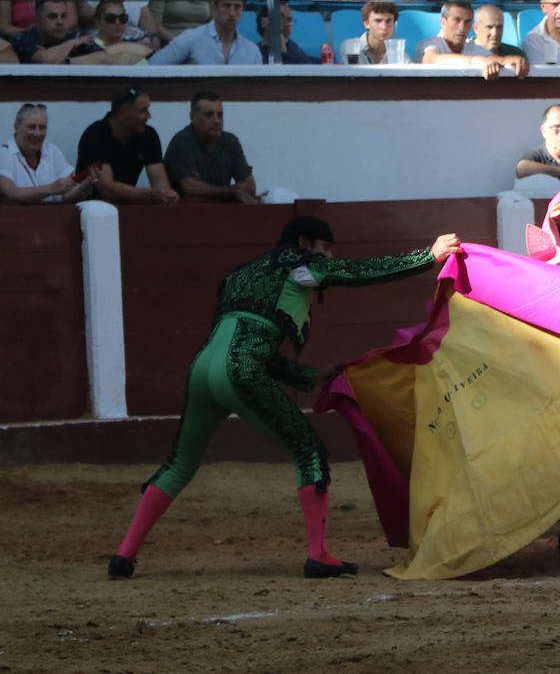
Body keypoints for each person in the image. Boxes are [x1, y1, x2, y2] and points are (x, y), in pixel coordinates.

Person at [108, 216, 462, 580]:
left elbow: (251, 337)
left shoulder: (239, 275)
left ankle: (125, 554)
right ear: (305, 243)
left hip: (202, 370)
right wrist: (427, 257)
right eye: (323, 250)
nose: (326, 258)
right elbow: (358, 272)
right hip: (241, 370)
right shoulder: (300, 265)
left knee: (179, 463)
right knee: (309, 451)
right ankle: (318, 554)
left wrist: (306, 376)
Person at [75, 86, 178, 204]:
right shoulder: (95, 135)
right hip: (90, 209)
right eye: (142, 111)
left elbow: (161, 186)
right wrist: (152, 194)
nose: (149, 116)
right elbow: (107, 190)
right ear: (121, 112)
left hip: (128, 206)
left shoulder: (149, 135)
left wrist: (168, 195)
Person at [163, 91, 258, 201]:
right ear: (192, 116)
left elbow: (250, 186)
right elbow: (189, 188)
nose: (216, 121)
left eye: (220, 114)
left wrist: (204, 187)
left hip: (223, 213)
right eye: (209, 115)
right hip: (185, 213)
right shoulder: (181, 142)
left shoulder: (230, 142)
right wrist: (233, 191)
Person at [148, 0, 260, 65]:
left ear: (243, 10)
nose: (231, 12)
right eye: (226, 6)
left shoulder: (252, 51)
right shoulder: (191, 38)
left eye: (237, 7)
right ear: (214, 8)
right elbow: (152, 65)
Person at [0, 102, 94, 203]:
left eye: (42, 127)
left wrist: (82, 188)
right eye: (31, 127)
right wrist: (51, 188)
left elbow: (66, 197)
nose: (37, 133)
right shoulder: (4, 153)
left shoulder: (52, 150)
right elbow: (10, 192)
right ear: (17, 127)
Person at [417, 0, 528, 77]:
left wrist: (514, 60)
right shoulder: (429, 44)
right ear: (443, 22)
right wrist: (477, 60)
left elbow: (493, 59)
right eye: (457, 20)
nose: (462, 27)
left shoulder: (471, 48)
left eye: (467, 22)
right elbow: (432, 60)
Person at [9, 0, 114, 65]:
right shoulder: (23, 38)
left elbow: (107, 60)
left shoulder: (74, 35)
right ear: (37, 19)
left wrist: (68, 62)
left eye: (64, 16)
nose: (60, 22)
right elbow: (46, 61)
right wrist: (70, 44)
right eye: (52, 16)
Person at [89, 0, 156, 64]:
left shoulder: (135, 40)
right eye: (110, 18)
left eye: (122, 18)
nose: (118, 22)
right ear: (98, 22)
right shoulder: (90, 47)